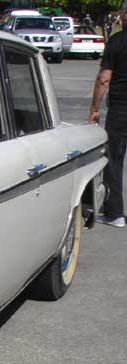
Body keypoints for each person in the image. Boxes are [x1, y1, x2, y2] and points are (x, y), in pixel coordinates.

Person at [90, 2, 127, 227]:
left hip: (121, 109)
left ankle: (115, 214)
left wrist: (94, 109)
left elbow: (104, 78)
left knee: (114, 159)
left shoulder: (117, 41)